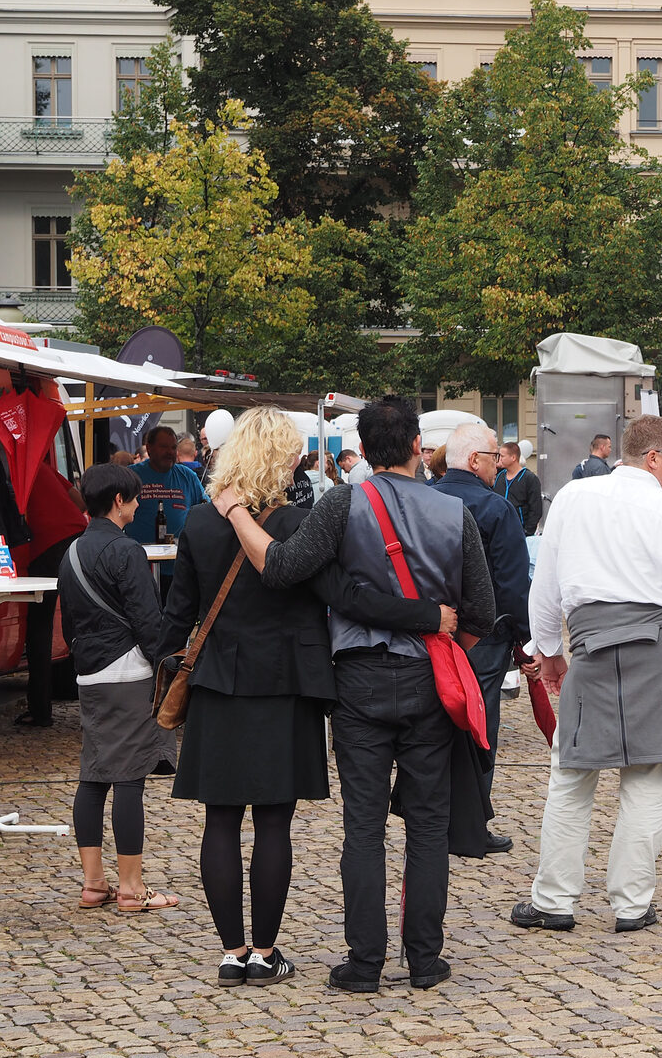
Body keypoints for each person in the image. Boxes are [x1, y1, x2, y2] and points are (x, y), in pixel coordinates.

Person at [212, 396, 495, 992]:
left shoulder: (343, 503)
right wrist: (444, 639)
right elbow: (483, 611)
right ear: (420, 446)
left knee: (363, 828)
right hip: (429, 679)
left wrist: (236, 510)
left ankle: (364, 962)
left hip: (360, 679)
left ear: (361, 451)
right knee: (426, 824)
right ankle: (424, 958)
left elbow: (284, 568)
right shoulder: (453, 513)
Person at [165, 408, 447, 989]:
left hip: (219, 680)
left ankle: (231, 951)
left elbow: (180, 615)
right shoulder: (302, 522)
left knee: (220, 820)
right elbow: (341, 595)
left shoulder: (198, 522)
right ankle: (265, 952)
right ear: (281, 459)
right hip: (289, 684)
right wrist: (424, 617)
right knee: (273, 822)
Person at [510, 415, 662, 934]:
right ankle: (631, 905)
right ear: (653, 458)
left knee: (571, 777)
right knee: (647, 779)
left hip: (591, 643)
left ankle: (553, 900)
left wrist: (549, 649)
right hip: (658, 646)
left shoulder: (573, 499)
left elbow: (546, 582)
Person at [59, 463, 178, 915]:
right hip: (129, 671)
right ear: (117, 502)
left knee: (93, 775)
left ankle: (94, 884)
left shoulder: (70, 551)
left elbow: (69, 620)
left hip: (89, 672)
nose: (137, 503)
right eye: (132, 498)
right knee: (129, 778)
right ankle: (131, 889)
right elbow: (150, 623)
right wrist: (166, 670)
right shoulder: (127, 551)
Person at [430, 421, 534, 857]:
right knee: (479, 727)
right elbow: (511, 583)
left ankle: (434, 818)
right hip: (481, 636)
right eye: (494, 456)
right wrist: (524, 641)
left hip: (429, 630)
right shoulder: (495, 508)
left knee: (435, 727)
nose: (499, 464)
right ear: (475, 461)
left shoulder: (423, 500)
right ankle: (471, 825)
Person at [17, 458, 87, 728]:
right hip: (77, 537)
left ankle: (40, 710)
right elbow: (79, 502)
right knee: (84, 618)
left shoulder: (15, 469)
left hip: (45, 547)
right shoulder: (41, 466)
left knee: (39, 628)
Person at [124, 425, 208, 603]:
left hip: (178, 568)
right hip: (140, 568)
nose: (169, 452)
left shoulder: (187, 476)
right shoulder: (132, 477)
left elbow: (205, 508)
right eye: (164, 447)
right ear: (149, 448)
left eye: (173, 447)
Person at [493, 441, 543, 535]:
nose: (499, 459)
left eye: (502, 456)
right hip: (499, 532)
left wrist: (527, 532)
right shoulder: (499, 477)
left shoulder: (529, 478)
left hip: (520, 533)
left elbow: (536, 509)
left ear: (513, 457)